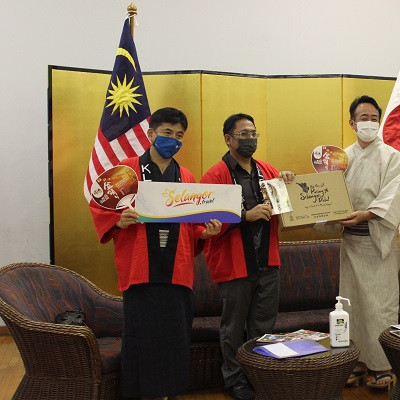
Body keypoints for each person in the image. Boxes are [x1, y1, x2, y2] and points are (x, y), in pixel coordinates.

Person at [89, 107, 222, 400]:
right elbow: (99, 204)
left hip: (177, 270)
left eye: (179, 135)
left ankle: (170, 392)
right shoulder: (127, 170)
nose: (173, 140)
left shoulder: (185, 176)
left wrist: (204, 233)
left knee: (177, 335)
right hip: (140, 267)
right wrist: (118, 220)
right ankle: (138, 393)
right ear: (151, 134)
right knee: (140, 334)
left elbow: (192, 226)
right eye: (167, 133)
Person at [200, 113, 295, 400]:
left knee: (264, 325)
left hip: (267, 261)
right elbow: (206, 220)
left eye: (253, 133)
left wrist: (287, 181)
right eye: (243, 134)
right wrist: (245, 215)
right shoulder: (215, 175)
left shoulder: (267, 170)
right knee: (233, 327)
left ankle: (259, 376)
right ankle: (235, 380)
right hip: (234, 264)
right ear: (228, 139)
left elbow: (285, 204)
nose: (250, 139)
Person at [339, 96, 400, 390]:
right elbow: (328, 191)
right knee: (351, 306)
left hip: (377, 241)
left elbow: (396, 195)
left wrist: (367, 213)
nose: (368, 122)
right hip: (350, 243)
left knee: (379, 307)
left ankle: (381, 366)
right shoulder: (342, 157)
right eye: (362, 117)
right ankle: (356, 362)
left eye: (373, 117)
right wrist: (332, 212)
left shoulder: (391, 156)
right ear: (352, 123)